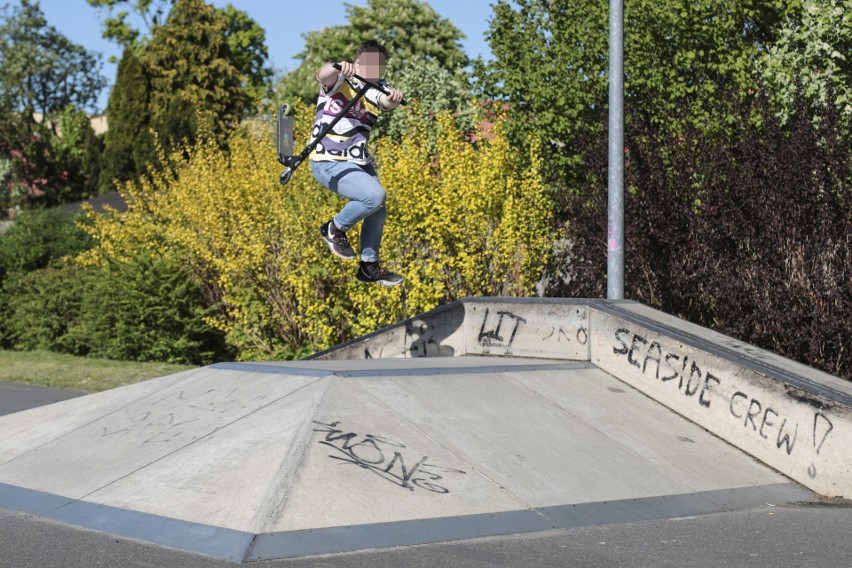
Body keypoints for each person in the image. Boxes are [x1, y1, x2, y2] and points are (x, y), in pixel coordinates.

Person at [310, 40, 405, 287]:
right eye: (372, 64)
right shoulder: (342, 78)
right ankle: (333, 228)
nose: (376, 69)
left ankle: (368, 266)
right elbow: (322, 75)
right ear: (360, 61)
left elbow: (385, 101)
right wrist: (338, 66)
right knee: (374, 196)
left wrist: (393, 100)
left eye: (381, 65)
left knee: (378, 206)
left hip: (358, 161)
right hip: (327, 159)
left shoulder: (380, 87)